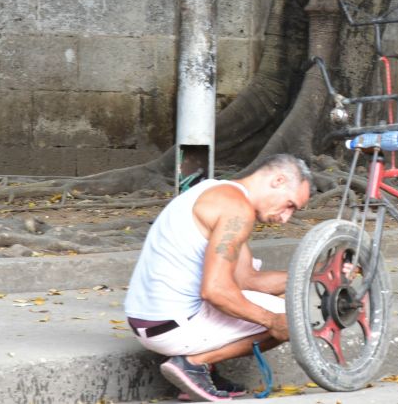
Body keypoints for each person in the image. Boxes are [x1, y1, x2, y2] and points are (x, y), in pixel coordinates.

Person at [124, 154, 311, 402]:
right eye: (290, 205)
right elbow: (215, 291)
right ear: (277, 180)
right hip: (170, 326)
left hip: (147, 321)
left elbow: (249, 281)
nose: (286, 217)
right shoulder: (237, 211)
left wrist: (317, 275)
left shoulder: (220, 193)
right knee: (292, 317)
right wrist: (273, 321)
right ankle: (193, 364)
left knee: (268, 307)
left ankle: (201, 370)